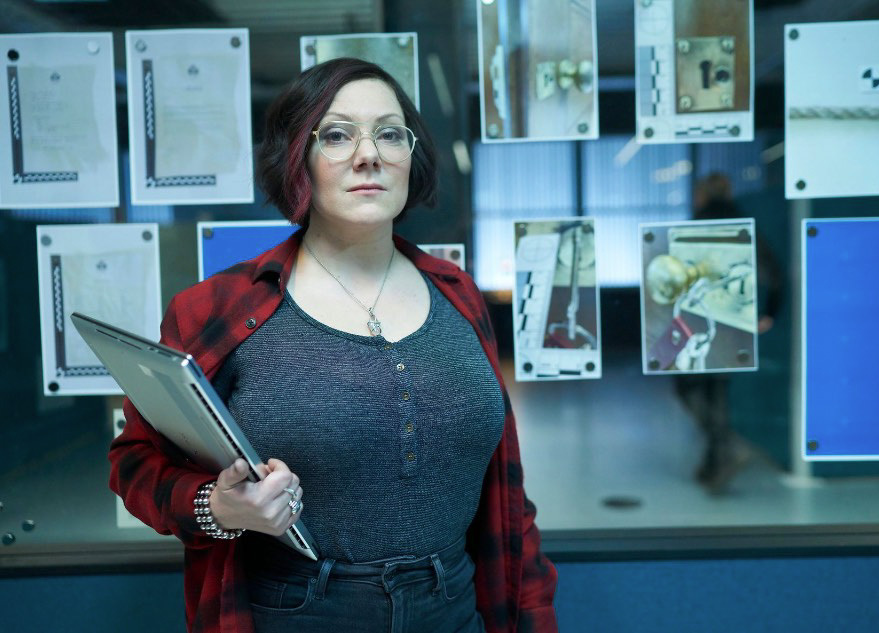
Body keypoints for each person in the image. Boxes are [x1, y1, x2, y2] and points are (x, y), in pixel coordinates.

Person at [109, 58, 558, 633]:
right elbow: (134, 462)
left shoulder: (458, 295)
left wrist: (535, 617)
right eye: (338, 134)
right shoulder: (219, 308)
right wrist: (217, 508)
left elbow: (508, 500)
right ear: (299, 157)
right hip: (298, 611)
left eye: (390, 133)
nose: (369, 154)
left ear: (410, 156)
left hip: (453, 606)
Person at [675, 172, 783, 494]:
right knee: (717, 392)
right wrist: (769, 314)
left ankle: (725, 448)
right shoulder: (742, 225)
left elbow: (677, 278)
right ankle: (715, 464)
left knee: (688, 387)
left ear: (703, 195)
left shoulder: (696, 224)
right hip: (733, 322)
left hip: (698, 319)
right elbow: (774, 273)